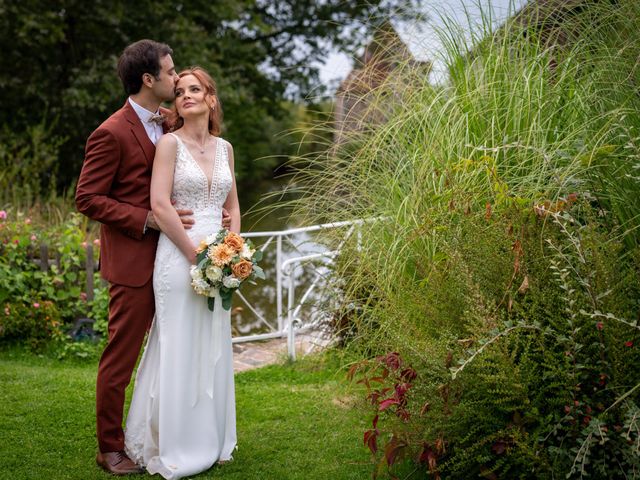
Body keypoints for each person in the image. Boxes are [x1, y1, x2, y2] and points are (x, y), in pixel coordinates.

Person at [76, 40, 230, 475]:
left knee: (174, 350)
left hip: (175, 258)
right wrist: (147, 218)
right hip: (134, 262)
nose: (176, 77)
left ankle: (181, 431)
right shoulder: (111, 131)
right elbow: (87, 197)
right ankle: (110, 447)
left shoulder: (167, 123)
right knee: (121, 357)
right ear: (149, 79)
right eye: (170, 71)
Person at [123, 66, 240, 479]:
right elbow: (159, 205)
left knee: (212, 343)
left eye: (195, 89)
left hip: (218, 261)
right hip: (178, 257)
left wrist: (231, 250)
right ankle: (173, 442)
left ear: (211, 98)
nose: (185, 95)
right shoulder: (169, 145)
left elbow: (234, 206)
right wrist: (196, 257)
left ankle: (212, 436)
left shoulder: (225, 148)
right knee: (177, 342)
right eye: (180, 91)